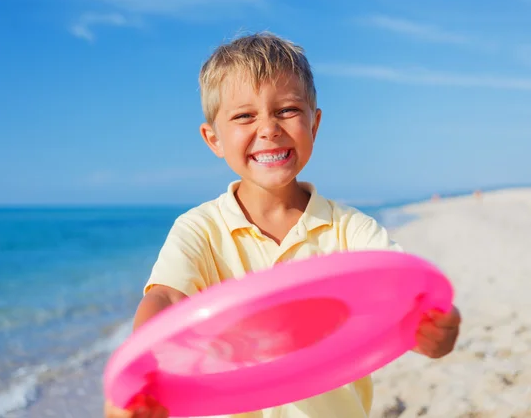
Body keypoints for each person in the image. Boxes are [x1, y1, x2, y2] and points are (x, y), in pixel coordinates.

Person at [104, 32, 461, 418]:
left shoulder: (347, 229)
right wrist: (139, 376)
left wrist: (435, 332)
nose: (269, 128)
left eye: (287, 110)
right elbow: (166, 300)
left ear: (314, 123)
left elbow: (405, 294)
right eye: (244, 116)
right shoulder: (200, 230)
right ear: (213, 139)